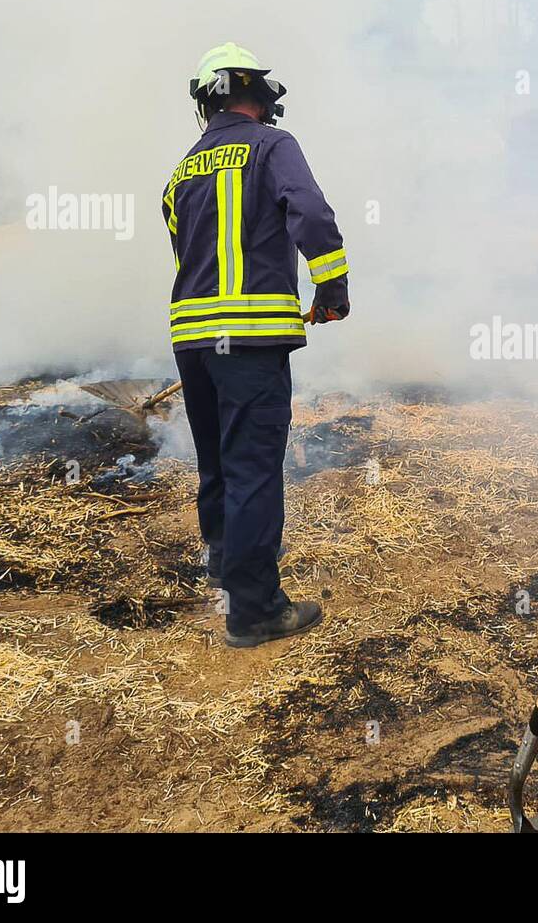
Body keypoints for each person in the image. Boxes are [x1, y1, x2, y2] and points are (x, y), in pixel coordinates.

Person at [164, 42, 350, 648]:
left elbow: (185, 247)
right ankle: (253, 611)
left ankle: (223, 564)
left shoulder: (182, 169)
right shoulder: (273, 146)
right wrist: (332, 286)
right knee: (253, 469)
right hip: (248, 339)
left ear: (204, 103)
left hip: (192, 339)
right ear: (260, 98)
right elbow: (313, 216)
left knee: (218, 459)